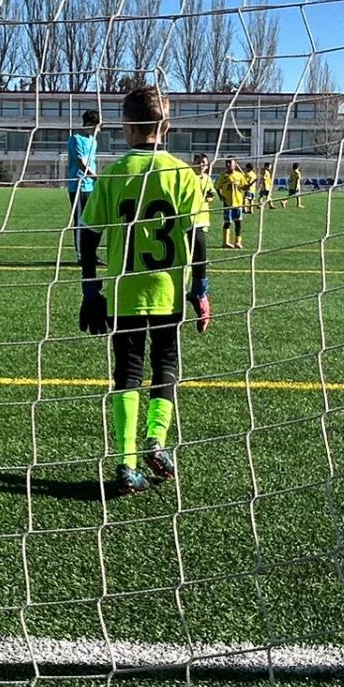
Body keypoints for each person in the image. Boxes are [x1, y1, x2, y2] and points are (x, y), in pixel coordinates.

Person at [79, 86, 212, 497]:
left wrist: (90, 290)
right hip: (169, 291)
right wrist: (200, 290)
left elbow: (88, 236)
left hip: (124, 293)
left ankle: (126, 462)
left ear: (126, 127)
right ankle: (157, 441)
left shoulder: (115, 172)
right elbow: (199, 239)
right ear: (166, 126)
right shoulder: (184, 174)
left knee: (127, 373)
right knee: (166, 365)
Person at [65, 109, 101, 262]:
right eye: (96, 126)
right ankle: (81, 255)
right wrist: (95, 176)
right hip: (79, 186)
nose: (98, 130)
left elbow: (91, 162)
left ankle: (91, 253)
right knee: (80, 221)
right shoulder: (75, 139)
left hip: (91, 187)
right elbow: (81, 163)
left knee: (92, 221)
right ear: (88, 124)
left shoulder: (93, 141)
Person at [218, 158, 247, 249]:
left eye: (230, 163)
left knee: (238, 222)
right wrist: (220, 196)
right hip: (228, 202)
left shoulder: (240, 176)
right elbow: (218, 187)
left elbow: (243, 187)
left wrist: (248, 186)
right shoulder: (223, 176)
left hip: (238, 202)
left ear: (235, 165)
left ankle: (237, 242)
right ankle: (225, 242)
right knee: (228, 222)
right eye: (227, 163)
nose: (228, 165)